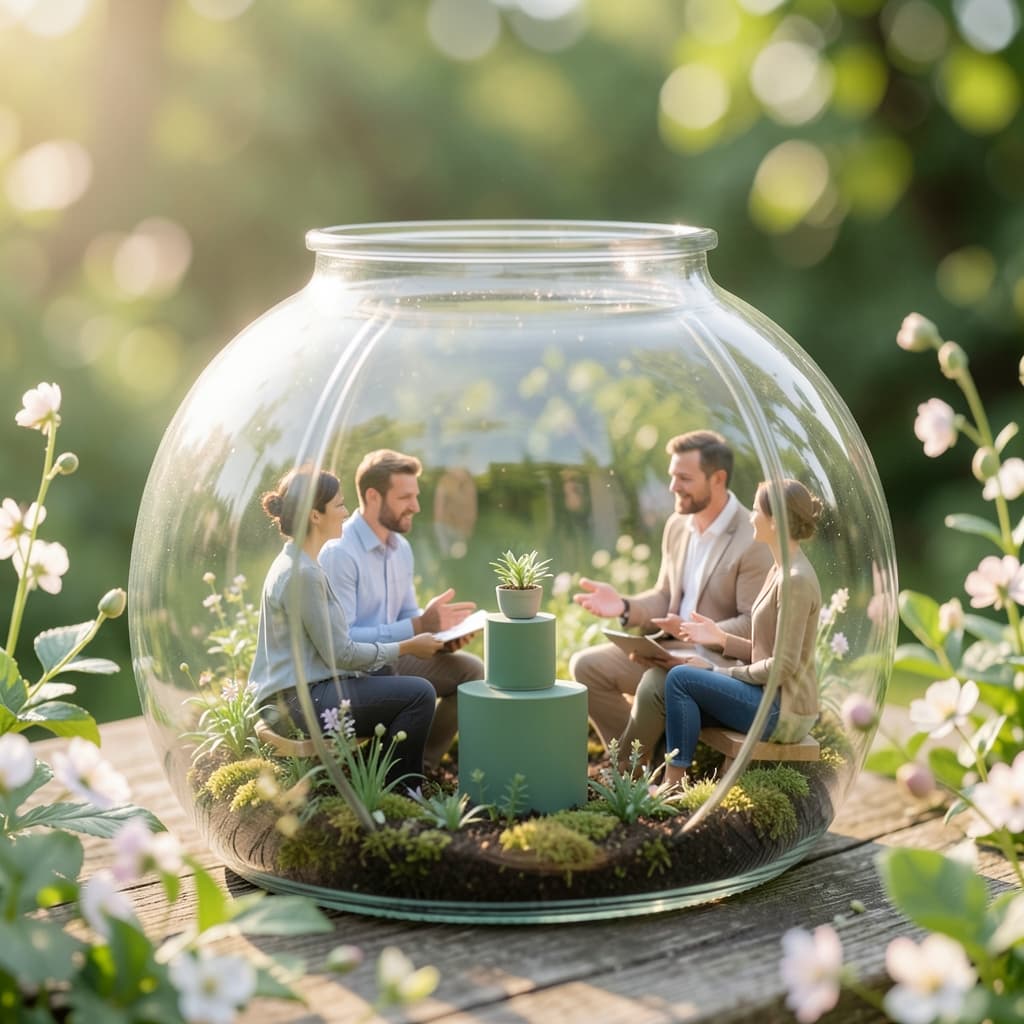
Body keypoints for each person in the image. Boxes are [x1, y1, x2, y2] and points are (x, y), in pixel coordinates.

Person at [569, 430, 772, 762]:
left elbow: (754, 624)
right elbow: (666, 595)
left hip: (715, 667)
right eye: (671, 476)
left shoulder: (752, 538)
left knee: (655, 682)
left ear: (717, 479)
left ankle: (621, 772)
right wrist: (624, 605)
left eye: (684, 478)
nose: (673, 487)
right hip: (666, 652)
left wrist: (696, 633)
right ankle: (639, 763)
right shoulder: (678, 526)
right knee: (586, 667)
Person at [249, 466, 442, 787]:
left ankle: (375, 777)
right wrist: (407, 646)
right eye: (338, 505)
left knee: (387, 677)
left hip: (300, 694)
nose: (345, 512)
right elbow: (342, 653)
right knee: (419, 694)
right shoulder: (304, 574)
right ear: (315, 515)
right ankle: (402, 791)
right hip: (299, 703)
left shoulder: (296, 562)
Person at [319, 449, 484, 772]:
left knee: (471, 672)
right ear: (373, 496)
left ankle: (423, 762)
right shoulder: (340, 553)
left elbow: (407, 615)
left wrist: (441, 633)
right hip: (355, 673)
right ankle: (388, 768)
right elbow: (344, 639)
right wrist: (418, 625)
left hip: (392, 659)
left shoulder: (400, 549)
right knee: (417, 689)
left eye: (416, 496)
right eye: (405, 497)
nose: (416, 507)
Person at [661, 478, 823, 786]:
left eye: (755, 509)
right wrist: (720, 639)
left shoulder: (795, 580)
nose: (750, 517)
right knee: (681, 691)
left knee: (680, 680)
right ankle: (681, 785)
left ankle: (671, 786)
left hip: (783, 712)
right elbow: (769, 647)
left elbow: (783, 665)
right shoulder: (779, 570)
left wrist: (717, 670)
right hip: (767, 698)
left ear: (775, 521)